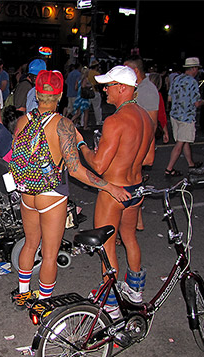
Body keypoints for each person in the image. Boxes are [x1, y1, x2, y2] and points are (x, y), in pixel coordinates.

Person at [10, 70, 130, 309]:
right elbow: (75, 170)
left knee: (30, 244)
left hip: (27, 195)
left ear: (38, 94)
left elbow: (17, 155)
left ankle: (23, 295)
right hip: (51, 197)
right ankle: (43, 305)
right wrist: (109, 186)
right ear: (60, 95)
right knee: (50, 254)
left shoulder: (23, 121)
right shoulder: (63, 125)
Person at [77, 66, 154, 317]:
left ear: (123, 88)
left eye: (108, 86)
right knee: (130, 238)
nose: (104, 90)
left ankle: (110, 302)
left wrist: (82, 145)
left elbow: (98, 165)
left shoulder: (115, 120)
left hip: (113, 192)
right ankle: (135, 291)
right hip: (135, 189)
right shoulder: (146, 119)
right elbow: (149, 158)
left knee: (107, 246)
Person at [164, 57, 204, 176]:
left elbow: (169, 98)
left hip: (175, 115)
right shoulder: (192, 82)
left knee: (184, 141)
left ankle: (191, 163)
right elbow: (196, 103)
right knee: (180, 143)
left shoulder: (176, 79)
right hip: (186, 116)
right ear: (193, 69)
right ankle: (169, 169)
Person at [124, 55, 159, 129]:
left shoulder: (148, 90)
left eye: (126, 70)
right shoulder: (133, 86)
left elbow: (152, 124)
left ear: (135, 71)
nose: (123, 73)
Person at [88, 60, 103, 126]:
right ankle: (98, 121)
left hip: (88, 91)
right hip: (95, 91)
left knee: (85, 108)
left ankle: (83, 121)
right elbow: (99, 84)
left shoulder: (88, 73)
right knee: (97, 107)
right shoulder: (97, 74)